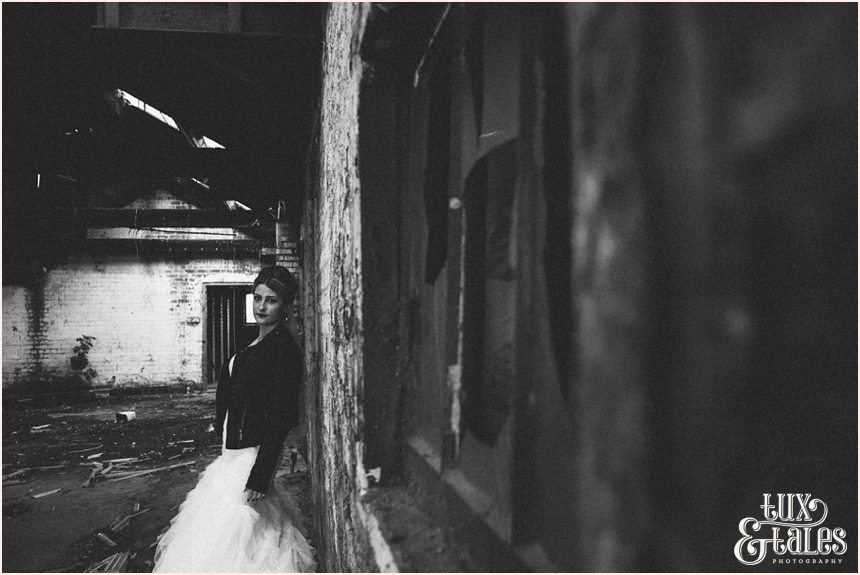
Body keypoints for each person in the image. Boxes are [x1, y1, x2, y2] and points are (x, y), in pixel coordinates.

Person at [153, 266, 316, 573]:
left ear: (285, 306)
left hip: (251, 458)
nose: (261, 306)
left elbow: (280, 418)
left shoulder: (283, 350)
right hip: (232, 456)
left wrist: (261, 474)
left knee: (238, 539)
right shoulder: (255, 343)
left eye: (271, 300)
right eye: (257, 298)